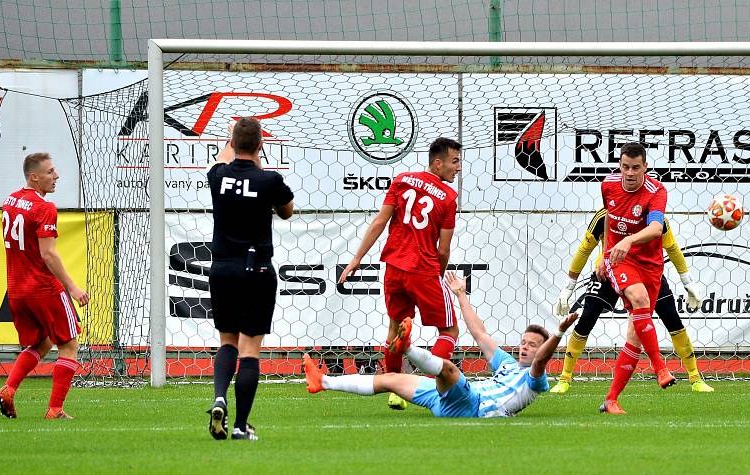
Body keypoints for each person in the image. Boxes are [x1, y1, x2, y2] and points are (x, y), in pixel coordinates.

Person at [305, 272, 578, 417]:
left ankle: (407, 348)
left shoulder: (535, 379)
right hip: (445, 401)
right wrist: (460, 294)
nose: (525, 347)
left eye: (532, 345)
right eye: (524, 342)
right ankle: (324, 382)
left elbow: (541, 360)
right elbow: (479, 332)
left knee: (447, 369)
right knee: (391, 379)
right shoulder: (507, 363)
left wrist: (558, 332)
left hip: (472, 406)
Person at [338, 138, 462, 410]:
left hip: (394, 267)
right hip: (423, 269)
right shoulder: (449, 198)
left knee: (395, 328)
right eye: (454, 161)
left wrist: (356, 259)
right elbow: (443, 250)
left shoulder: (402, 179)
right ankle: (426, 386)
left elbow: (380, 222)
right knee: (450, 329)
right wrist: (436, 276)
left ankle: (396, 390)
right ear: (437, 163)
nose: (458, 168)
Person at [551, 208, 714, 393]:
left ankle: (695, 377)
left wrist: (688, 282)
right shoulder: (605, 214)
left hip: (647, 273)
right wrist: (568, 288)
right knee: (587, 317)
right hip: (607, 271)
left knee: (672, 319)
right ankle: (564, 378)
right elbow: (584, 249)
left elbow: (672, 248)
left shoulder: (656, 217)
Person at [205, 118, 294, 441]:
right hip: (256, 270)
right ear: (260, 146)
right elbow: (287, 211)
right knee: (250, 350)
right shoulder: (270, 180)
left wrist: (232, 143)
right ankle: (241, 426)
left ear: (231, 143)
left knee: (227, 341)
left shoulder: (218, 176)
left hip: (222, 269)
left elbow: (222, 158)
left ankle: (218, 399)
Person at [0, 153, 89, 420]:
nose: (56, 176)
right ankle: (55, 410)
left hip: (17, 289)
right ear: (34, 177)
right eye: (50, 172)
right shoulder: (44, 207)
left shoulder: (9, 201)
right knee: (69, 344)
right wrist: (72, 287)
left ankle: (8, 389)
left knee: (42, 342)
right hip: (43, 288)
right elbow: (48, 254)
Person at [597, 142, 677, 415]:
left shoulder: (656, 192)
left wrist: (629, 239)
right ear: (620, 166)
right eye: (624, 167)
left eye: (635, 167)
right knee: (639, 298)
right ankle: (660, 367)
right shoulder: (608, 185)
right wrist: (603, 254)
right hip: (619, 258)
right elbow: (608, 218)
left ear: (645, 167)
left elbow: (656, 228)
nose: (629, 173)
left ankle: (611, 400)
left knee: (635, 334)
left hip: (650, 266)